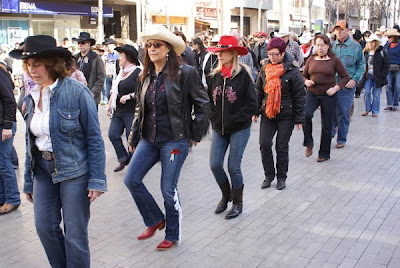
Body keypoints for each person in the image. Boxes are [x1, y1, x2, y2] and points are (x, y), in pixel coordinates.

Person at [10, 35, 106, 267]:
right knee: (44, 227)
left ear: (52, 63)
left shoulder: (76, 92)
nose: (32, 70)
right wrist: (27, 181)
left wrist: (97, 179)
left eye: (37, 64)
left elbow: (94, 138)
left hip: (74, 171)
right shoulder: (30, 95)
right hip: (42, 171)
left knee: (75, 234)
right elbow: (30, 141)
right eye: (29, 65)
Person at [124, 25, 209, 250]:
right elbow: (139, 111)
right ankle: (155, 220)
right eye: (149, 45)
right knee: (131, 179)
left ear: (168, 49)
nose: (152, 49)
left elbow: (203, 104)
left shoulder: (186, 72)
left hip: (174, 143)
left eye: (157, 45)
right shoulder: (144, 76)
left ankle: (172, 234)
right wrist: (133, 139)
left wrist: (194, 135)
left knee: (167, 188)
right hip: (149, 140)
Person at [207, 35, 257, 219]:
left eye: (224, 51)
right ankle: (226, 195)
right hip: (219, 128)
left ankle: (238, 203)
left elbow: (252, 104)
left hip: (239, 128)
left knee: (233, 166)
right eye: (218, 51)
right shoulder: (214, 76)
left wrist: (235, 119)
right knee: (215, 164)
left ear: (233, 53)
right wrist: (213, 118)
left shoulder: (243, 75)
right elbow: (209, 101)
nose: (219, 55)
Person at [254, 37, 305, 190]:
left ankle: (281, 177)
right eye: (270, 54)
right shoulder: (264, 68)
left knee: (281, 146)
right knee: (264, 144)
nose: (272, 57)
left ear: (283, 53)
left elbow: (300, 95)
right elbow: (258, 90)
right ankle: (269, 175)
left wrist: (299, 118)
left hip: (286, 115)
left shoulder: (292, 70)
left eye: (276, 54)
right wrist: (255, 110)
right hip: (268, 113)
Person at [302, 34, 350, 162]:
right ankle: (309, 142)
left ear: (328, 46)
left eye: (322, 45)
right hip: (312, 92)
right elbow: (303, 76)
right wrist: (306, 82)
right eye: (317, 45)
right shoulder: (311, 59)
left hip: (328, 94)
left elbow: (345, 77)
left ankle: (324, 153)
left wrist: (335, 88)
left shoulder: (334, 60)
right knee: (306, 115)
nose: (320, 48)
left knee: (327, 124)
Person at [107, 44, 141, 172]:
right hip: (118, 111)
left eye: (121, 56)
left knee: (130, 139)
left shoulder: (138, 73)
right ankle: (123, 158)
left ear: (128, 57)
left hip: (131, 111)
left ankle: (134, 164)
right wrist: (110, 104)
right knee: (113, 134)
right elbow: (113, 91)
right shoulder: (120, 73)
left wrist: (129, 96)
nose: (119, 58)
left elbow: (142, 91)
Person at [332, 20, 365, 148]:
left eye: (341, 29)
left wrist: (355, 79)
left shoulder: (355, 47)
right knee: (331, 112)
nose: (339, 32)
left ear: (347, 31)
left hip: (347, 85)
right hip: (332, 84)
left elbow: (362, 65)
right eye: (337, 29)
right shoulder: (331, 46)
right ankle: (330, 132)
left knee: (344, 112)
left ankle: (341, 138)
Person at [0, 59, 20, 214]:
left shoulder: (0, 72)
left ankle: (12, 199)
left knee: (3, 162)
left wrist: (7, 126)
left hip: (4, 125)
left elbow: (9, 100)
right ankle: (2, 198)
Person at [359, 34, 389, 117]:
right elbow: (362, 64)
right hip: (368, 76)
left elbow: (386, 64)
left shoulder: (381, 52)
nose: (371, 44)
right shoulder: (365, 52)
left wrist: (383, 75)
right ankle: (367, 108)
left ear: (376, 43)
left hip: (378, 77)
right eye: (369, 42)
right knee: (367, 92)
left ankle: (375, 111)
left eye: (372, 42)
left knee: (376, 94)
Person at [73, 32, 105, 108]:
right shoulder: (75, 58)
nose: (80, 45)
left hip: (91, 97)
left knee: (91, 119)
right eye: (78, 43)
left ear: (89, 44)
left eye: (82, 43)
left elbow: (101, 77)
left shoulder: (96, 58)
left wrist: (92, 93)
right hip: (76, 97)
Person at [383, 28, 400, 111]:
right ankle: (389, 104)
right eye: (388, 37)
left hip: (398, 68)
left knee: (397, 86)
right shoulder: (386, 46)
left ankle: (395, 104)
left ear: (394, 37)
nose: (388, 38)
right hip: (388, 68)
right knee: (388, 86)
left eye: (390, 37)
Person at [102, 38, 119, 105]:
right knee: (108, 93)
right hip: (107, 75)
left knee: (114, 92)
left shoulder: (117, 54)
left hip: (114, 76)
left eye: (108, 45)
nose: (107, 48)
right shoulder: (106, 55)